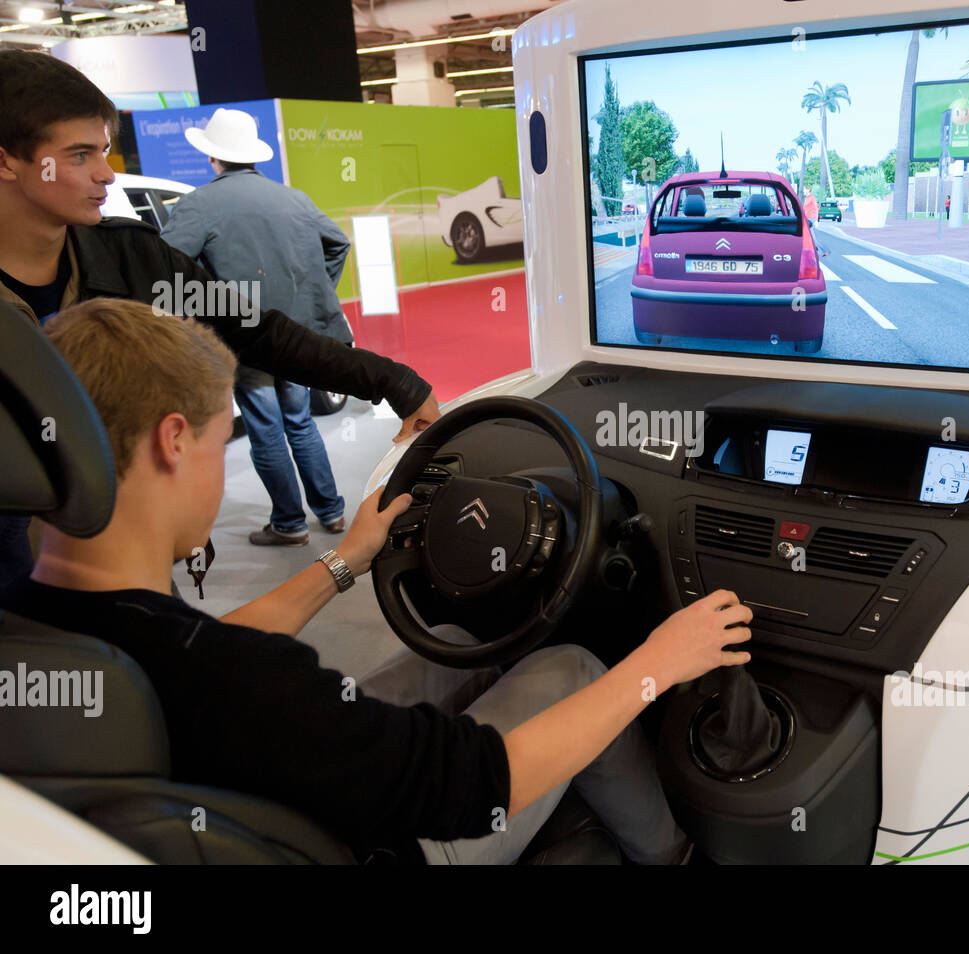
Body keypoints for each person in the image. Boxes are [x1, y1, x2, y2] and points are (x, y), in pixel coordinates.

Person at [1, 297, 754, 863]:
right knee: (577, 668)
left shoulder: (41, 622)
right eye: (217, 434)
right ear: (172, 441)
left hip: (258, 793)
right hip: (386, 845)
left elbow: (194, 650)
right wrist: (661, 664)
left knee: (461, 638)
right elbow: (480, 785)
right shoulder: (251, 686)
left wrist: (345, 562)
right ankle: (677, 857)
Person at [0, 51, 440, 587]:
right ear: (7, 162)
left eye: (105, 151)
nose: (105, 174)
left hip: (123, 552)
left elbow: (257, 332)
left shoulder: (132, 259)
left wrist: (394, 381)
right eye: (79, 155)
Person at [160, 108, 352, 546]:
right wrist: (310, 295)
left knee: (266, 429)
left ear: (213, 158)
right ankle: (333, 512)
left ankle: (289, 523)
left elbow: (165, 265)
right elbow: (338, 243)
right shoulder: (293, 198)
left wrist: (199, 307)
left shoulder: (200, 204)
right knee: (300, 423)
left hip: (245, 335)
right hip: (296, 334)